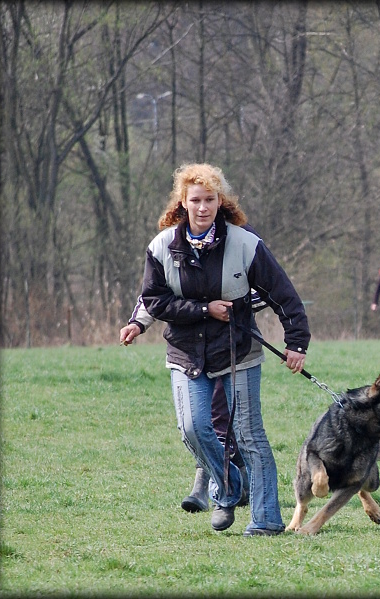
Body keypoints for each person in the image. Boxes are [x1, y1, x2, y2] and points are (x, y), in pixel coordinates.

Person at [141, 163, 310, 536]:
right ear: (182, 203)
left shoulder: (246, 243)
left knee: (249, 434)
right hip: (185, 353)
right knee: (192, 428)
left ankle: (265, 519)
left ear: (221, 202)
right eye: (195, 200)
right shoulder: (162, 246)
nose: (203, 207)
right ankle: (229, 485)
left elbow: (284, 295)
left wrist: (296, 342)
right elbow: (154, 300)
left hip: (238, 350)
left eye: (210, 200)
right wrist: (203, 309)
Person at [119, 291, 266, 512]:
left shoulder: (241, 256)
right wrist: (139, 323)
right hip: (190, 348)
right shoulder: (173, 257)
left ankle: (221, 486)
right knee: (194, 423)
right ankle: (229, 480)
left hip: (232, 345)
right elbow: (156, 291)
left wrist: (233, 306)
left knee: (224, 415)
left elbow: (265, 289)